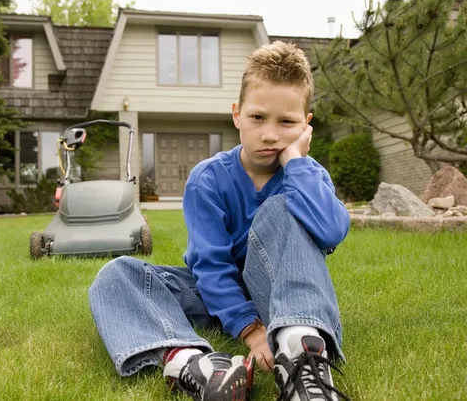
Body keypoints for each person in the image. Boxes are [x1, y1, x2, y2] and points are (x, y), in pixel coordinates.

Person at [89, 41, 351, 401]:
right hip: (214, 295)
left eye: (286, 122)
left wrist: (296, 164)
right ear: (237, 115)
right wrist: (249, 330)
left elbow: (332, 231)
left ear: (306, 127)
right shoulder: (208, 179)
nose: (271, 134)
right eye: (258, 117)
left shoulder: (307, 174)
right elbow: (209, 265)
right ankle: (194, 365)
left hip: (281, 292)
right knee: (115, 276)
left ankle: (300, 356)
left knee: (279, 208)